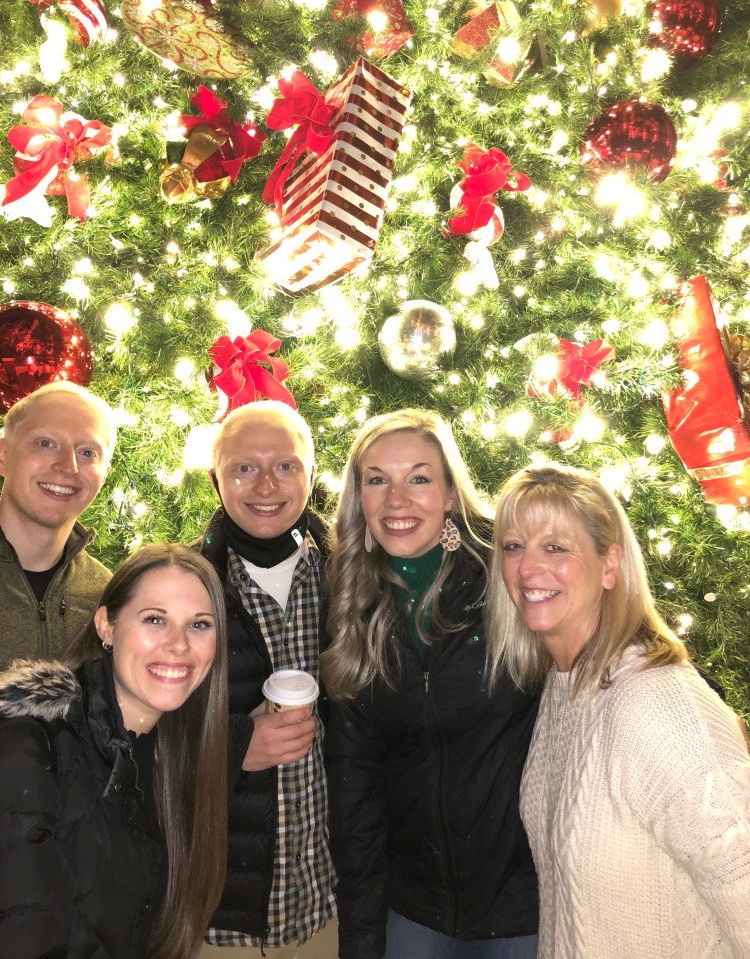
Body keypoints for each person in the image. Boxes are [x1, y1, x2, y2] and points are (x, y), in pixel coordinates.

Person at [487, 462, 750, 959]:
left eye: (555, 547)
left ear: (610, 564)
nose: (526, 568)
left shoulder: (655, 703)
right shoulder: (564, 683)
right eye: (514, 546)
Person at [322, 409, 539, 959]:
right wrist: (363, 940)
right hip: (415, 906)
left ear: (449, 494)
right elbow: (355, 792)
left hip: (523, 904)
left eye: (418, 478)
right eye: (378, 480)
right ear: (359, 498)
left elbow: (607, 638)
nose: (397, 500)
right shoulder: (351, 606)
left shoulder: (508, 575)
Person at [0, 542, 229, 959]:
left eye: (199, 624)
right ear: (106, 626)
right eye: (155, 619)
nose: (179, 644)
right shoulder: (30, 748)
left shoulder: (176, 757)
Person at [197, 400, 337, 957]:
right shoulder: (185, 589)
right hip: (218, 917)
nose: (265, 485)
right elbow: (133, 733)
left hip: (330, 909)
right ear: (216, 479)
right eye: (243, 468)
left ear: (310, 473)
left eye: (285, 465)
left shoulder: (351, 581)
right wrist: (232, 746)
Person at [0, 382, 116, 668]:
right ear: (3, 455)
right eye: (46, 443)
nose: (68, 466)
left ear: (105, 474)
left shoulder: (106, 596)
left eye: (88, 452)